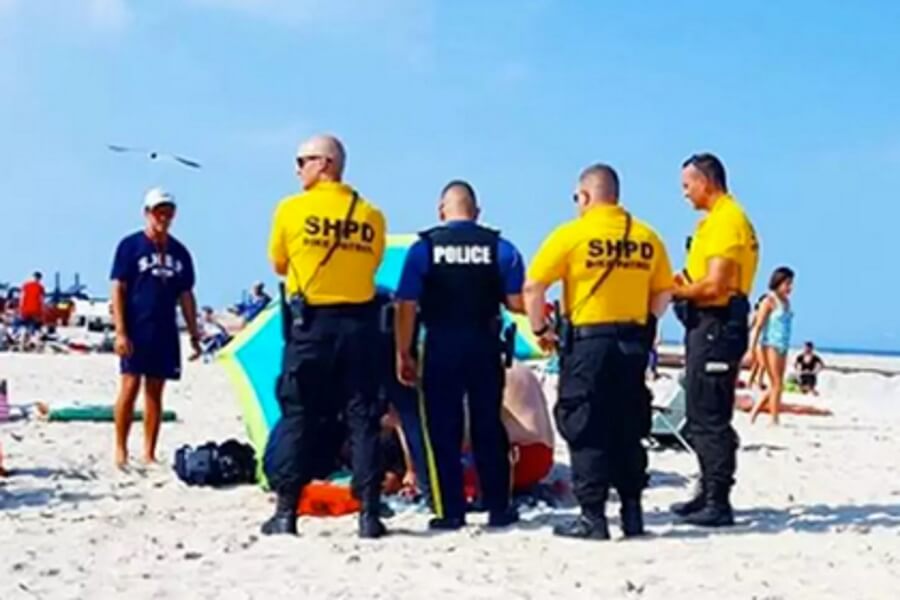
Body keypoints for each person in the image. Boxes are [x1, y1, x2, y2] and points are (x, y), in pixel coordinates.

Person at [524, 163, 673, 540]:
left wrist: (541, 329)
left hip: (588, 343)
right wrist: (647, 323)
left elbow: (533, 287)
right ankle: (632, 513)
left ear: (586, 195)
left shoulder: (572, 235)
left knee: (585, 422)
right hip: (633, 341)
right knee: (628, 423)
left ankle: (593, 516)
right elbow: (664, 291)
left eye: (577, 197)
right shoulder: (647, 237)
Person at [261, 134, 387, 539]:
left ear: (325, 163)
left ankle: (286, 512)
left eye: (303, 160)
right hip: (360, 325)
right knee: (362, 417)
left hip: (311, 324)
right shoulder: (371, 215)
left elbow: (279, 264)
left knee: (298, 412)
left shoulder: (291, 209)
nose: (298, 169)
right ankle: (369, 514)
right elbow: (372, 265)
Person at [394, 180, 525, 531]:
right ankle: (498, 507)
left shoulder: (424, 249)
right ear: (477, 212)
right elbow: (516, 302)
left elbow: (405, 305)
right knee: (488, 425)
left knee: (442, 428)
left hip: (440, 344)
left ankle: (450, 511)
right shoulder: (501, 248)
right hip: (484, 343)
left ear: (441, 211)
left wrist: (403, 352)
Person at [671, 153, 759, 527]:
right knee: (698, 410)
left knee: (709, 415)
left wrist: (677, 291)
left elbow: (717, 287)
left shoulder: (727, 221)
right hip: (707, 325)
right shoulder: (713, 221)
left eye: (687, 185)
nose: (684, 193)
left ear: (705, 182)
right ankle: (706, 490)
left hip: (718, 324)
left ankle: (717, 500)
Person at [110, 187, 201, 469]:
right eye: (158, 212)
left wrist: (194, 332)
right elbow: (118, 288)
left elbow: (186, 294)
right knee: (129, 385)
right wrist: (120, 331)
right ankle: (121, 448)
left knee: (155, 391)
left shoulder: (179, 252)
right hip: (136, 326)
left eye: (168, 213)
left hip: (164, 329)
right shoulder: (130, 246)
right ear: (147, 213)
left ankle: (148, 452)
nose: (163, 218)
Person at [749, 267, 795, 425]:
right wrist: (752, 348)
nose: (790, 287)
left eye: (791, 284)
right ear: (778, 282)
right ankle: (774, 418)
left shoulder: (786, 302)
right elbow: (758, 326)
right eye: (787, 283)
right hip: (770, 345)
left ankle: (755, 411)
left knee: (778, 384)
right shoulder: (769, 301)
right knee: (776, 383)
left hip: (783, 344)